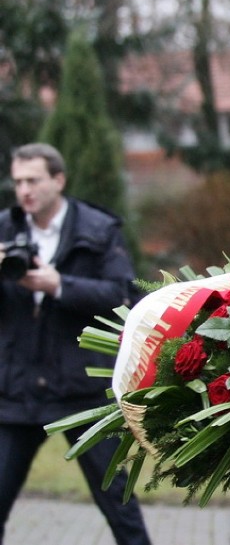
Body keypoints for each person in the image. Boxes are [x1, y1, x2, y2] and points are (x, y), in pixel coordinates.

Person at [0, 143, 151, 545]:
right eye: (18, 182)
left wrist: (61, 285)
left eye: (33, 180)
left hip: (79, 386)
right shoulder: (5, 228)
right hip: (16, 386)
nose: (24, 190)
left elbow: (124, 296)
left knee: (117, 499)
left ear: (58, 180)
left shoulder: (98, 230)